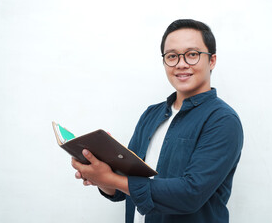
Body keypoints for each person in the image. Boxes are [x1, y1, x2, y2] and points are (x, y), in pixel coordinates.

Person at [72, 19, 243, 223]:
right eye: (172, 56)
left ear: (212, 60)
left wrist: (112, 178)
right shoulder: (151, 114)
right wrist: (100, 175)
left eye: (192, 54)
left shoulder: (223, 120)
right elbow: (122, 189)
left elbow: (190, 194)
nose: (181, 63)